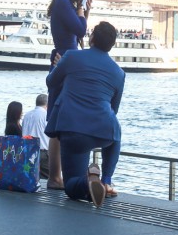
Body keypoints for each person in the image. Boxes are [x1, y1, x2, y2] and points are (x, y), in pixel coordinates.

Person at [45, 21, 125, 208]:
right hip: (104, 128)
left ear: (92, 38)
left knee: (72, 186)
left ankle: (88, 182)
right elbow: (114, 109)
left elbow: (51, 83)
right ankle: (106, 181)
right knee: (116, 134)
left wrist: (58, 67)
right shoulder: (119, 73)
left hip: (73, 128)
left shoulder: (72, 57)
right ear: (112, 45)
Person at [45, 0, 96, 190]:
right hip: (64, 63)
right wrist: (83, 11)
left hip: (65, 60)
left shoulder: (63, 3)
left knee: (60, 121)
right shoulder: (64, 3)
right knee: (57, 122)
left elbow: (78, 32)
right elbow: (80, 29)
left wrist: (84, 9)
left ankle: (58, 176)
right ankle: (55, 177)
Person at [21, 93, 50, 180]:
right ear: (47, 104)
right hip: (43, 152)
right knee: (46, 178)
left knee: (30, 177)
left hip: (28, 151)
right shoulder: (46, 115)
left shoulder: (27, 115)